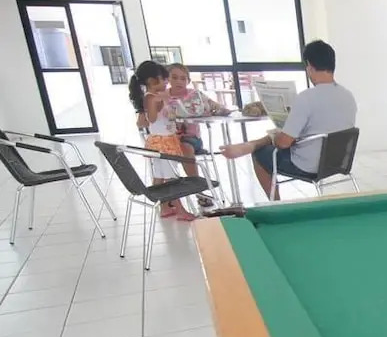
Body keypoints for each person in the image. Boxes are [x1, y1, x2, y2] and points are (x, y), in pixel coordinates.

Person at [221, 40, 357, 200]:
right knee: (287, 134)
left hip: (308, 166)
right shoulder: (348, 96)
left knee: (260, 155)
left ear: (309, 66)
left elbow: (283, 143)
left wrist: (278, 135)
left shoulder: (306, 98)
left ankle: (277, 204)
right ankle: (252, 144)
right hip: (337, 162)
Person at [128, 60, 198, 220]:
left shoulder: (159, 96)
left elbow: (169, 116)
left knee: (159, 176)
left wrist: (168, 103)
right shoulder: (150, 97)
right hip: (162, 143)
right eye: (164, 79)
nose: (167, 82)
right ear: (152, 80)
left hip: (167, 139)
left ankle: (164, 207)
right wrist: (160, 102)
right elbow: (152, 119)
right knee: (172, 177)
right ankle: (180, 210)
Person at [166, 63, 229, 155]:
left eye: (183, 79)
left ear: (188, 81)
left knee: (184, 147)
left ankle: (191, 164)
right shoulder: (163, 96)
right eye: (174, 78)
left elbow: (215, 105)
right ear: (168, 79)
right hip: (168, 137)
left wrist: (221, 110)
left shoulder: (194, 94)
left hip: (191, 138)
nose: (179, 81)